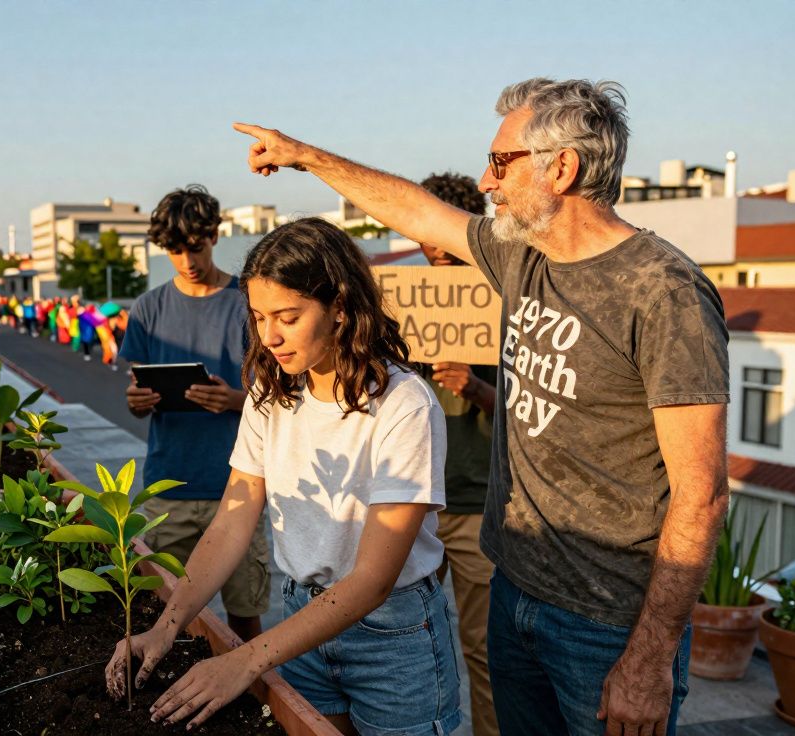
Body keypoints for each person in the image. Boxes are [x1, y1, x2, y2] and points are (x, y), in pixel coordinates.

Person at [234, 77, 730, 736]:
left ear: (563, 167)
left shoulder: (663, 293)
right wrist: (305, 155)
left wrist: (648, 658)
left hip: (606, 626)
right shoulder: (523, 255)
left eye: (500, 161)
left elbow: (701, 494)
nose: (486, 180)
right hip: (515, 593)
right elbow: (416, 211)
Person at [112, 218, 460, 735]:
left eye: (288, 317)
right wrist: (166, 628)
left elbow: (372, 579)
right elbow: (232, 520)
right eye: (257, 317)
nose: (269, 336)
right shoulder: (270, 395)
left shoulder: (402, 404)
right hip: (303, 624)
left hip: (393, 638)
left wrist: (246, 660)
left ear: (340, 307)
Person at [118, 184, 272, 644]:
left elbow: (278, 398)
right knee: (168, 616)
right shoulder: (147, 309)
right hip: (170, 486)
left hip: (239, 489)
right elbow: (134, 389)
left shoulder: (249, 303)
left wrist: (235, 400)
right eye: (175, 250)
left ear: (215, 236)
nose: (188, 260)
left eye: (196, 247)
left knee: (246, 617)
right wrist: (136, 402)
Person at [412, 171, 501, 736]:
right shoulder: (406, 304)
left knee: (486, 653)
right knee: (405, 643)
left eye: (447, 231)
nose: (436, 245)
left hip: (475, 503)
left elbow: (536, 413)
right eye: (425, 230)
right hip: (413, 501)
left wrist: (478, 389)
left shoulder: (504, 301)